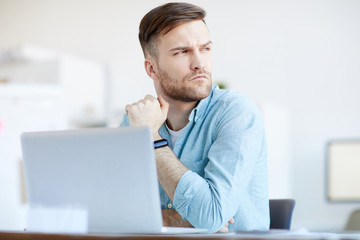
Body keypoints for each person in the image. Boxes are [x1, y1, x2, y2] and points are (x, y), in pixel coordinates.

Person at [121, 2, 269, 233]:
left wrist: (151, 138)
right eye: (182, 52)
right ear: (152, 69)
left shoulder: (237, 113)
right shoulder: (137, 120)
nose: (200, 63)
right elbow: (112, 210)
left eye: (205, 49)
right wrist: (177, 219)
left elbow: (210, 215)